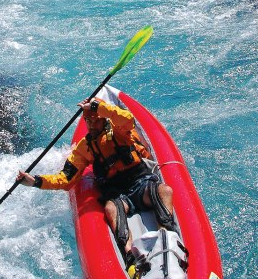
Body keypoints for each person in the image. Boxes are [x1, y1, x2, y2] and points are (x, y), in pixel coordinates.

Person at [16, 97, 176, 262]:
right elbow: (65, 179)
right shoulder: (84, 147)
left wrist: (96, 106)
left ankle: (167, 236)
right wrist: (35, 181)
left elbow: (127, 118)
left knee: (165, 190)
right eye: (87, 121)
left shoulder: (120, 129)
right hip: (118, 193)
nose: (91, 125)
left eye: (95, 121)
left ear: (104, 118)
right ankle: (129, 254)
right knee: (111, 208)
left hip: (140, 183)